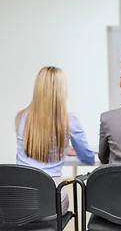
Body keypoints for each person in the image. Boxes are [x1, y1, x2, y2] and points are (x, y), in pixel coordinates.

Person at [16, 66, 95, 215]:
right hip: (50, 199)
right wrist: (65, 150)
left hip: (20, 199)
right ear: (61, 90)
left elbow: (34, 150)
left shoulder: (21, 117)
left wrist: (62, 150)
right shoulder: (68, 119)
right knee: (64, 197)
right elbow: (88, 157)